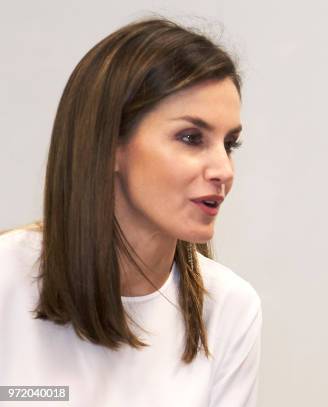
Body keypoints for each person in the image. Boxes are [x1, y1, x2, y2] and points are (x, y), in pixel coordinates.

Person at [0, 18, 261, 406]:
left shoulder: (230, 307)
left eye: (229, 144)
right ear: (109, 145)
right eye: (192, 138)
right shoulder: (7, 277)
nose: (223, 169)